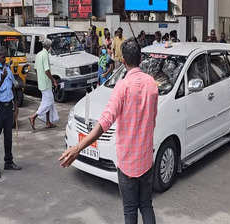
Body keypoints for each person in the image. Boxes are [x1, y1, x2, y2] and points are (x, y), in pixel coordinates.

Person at [59, 39, 159, 224]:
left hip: (128, 162)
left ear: (123, 61)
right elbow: (151, 118)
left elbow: (104, 123)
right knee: (146, 205)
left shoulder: (123, 86)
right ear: (140, 60)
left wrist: (77, 148)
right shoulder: (151, 84)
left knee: (130, 210)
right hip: (146, 159)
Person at [0, 46, 22, 179]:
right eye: (2, 56)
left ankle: (8, 162)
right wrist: (1, 79)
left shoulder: (7, 68)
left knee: (8, 137)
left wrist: (16, 104)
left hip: (8, 107)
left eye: (5, 56)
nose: (4, 59)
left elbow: (12, 85)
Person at [29, 39, 59, 130]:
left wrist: (40, 78)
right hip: (46, 83)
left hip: (41, 83)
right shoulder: (45, 55)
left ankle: (48, 122)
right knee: (48, 102)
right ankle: (33, 116)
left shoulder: (38, 54)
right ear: (49, 47)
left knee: (47, 102)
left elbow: (36, 69)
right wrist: (53, 80)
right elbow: (47, 70)